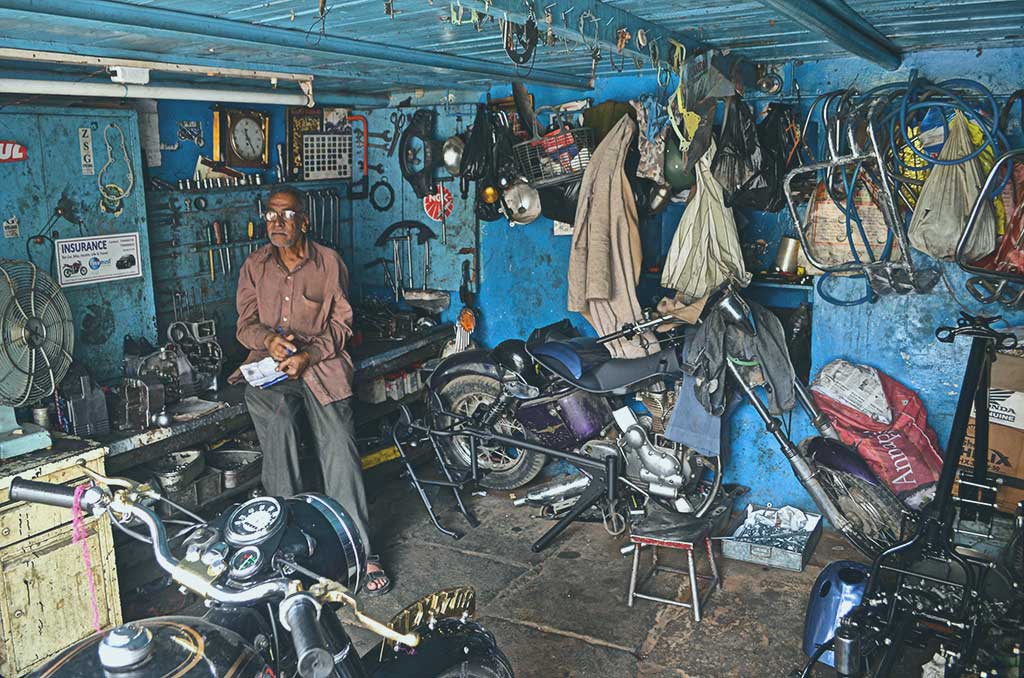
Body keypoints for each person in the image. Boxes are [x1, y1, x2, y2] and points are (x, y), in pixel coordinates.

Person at [231, 185, 391, 595]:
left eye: (286, 215)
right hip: (271, 371)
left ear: (305, 221)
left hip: (320, 367)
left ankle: (362, 552)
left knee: (338, 444)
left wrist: (309, 354)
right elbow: (244, 325)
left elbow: (341, 326)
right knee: (279, 431)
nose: (277, 223)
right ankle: (284, 552)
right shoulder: (255, 266)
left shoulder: (328, 263)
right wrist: (268, 340)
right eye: (271, 215)